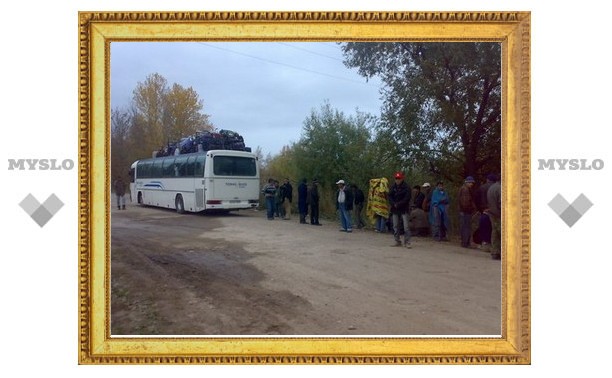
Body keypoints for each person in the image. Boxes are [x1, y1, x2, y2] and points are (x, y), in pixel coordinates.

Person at [388, 171, 412, 248]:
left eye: (399, 178)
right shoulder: (393, 187)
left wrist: (399, 204)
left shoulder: (406, 187)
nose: (397, 180)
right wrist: (393, 203)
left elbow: (407, 198)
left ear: (402, 179)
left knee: (406, 226)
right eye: (396, 178)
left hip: (404, 209)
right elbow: (390, 196)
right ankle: (397, 241)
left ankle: (407, 242)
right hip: (395, 209)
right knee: (395, 226)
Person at [475, 174, 497, 251]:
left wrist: (480, 210)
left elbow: (476, 199)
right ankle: (493, 245)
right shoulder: (497, 188)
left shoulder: (482, 187)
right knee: (493, 228)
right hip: (495, 212)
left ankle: (484, 244)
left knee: (484, 227)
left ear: (487, 179)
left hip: (484, 211)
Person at [458, 176, 477, 248]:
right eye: (470, 182)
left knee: (464, 226)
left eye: (472, 182)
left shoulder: (464, 188)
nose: (472, 184)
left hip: (463, 211)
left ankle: (465, 242)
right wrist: (470, 209)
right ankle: (466, 243)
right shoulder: (465, 190)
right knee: (466, 227)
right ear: (467, 182)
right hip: (465, 211)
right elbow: (465, 202)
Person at [487, 175, 502, 260]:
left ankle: (495, 252)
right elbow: (501, 202)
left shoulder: (492, 187)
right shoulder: (500, 188)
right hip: (499, 213)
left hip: (492, 213)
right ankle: (500, 251)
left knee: (495, 232)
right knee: (501, 233)